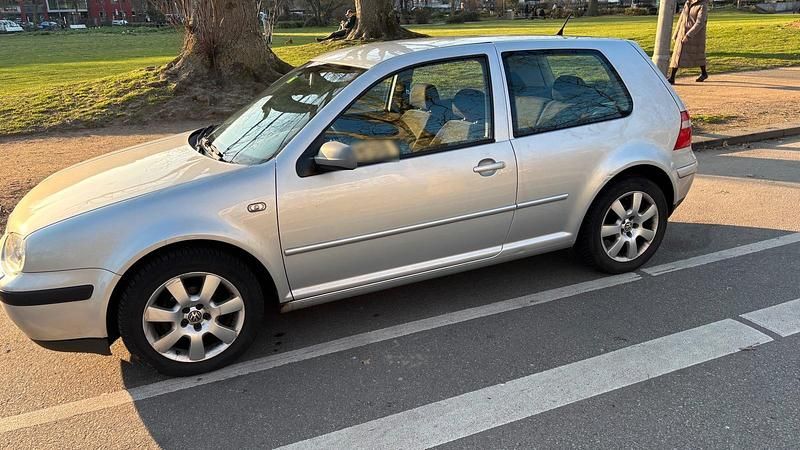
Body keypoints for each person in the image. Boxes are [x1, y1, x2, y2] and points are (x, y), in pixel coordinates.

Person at [668, 0, 709, 84]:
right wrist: (676, 33)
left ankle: (704, 73)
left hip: (695, 36)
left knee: (698, 54)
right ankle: (672, 77)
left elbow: (700, 23)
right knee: (677, 54)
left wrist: (689, 35)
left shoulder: (702, 5)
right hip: (682, 33)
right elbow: (681, 19)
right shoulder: (687, 3)